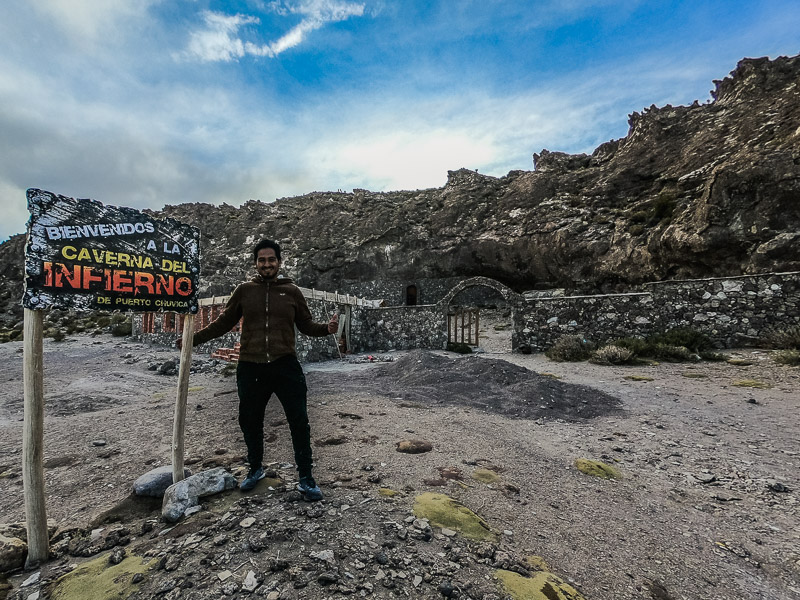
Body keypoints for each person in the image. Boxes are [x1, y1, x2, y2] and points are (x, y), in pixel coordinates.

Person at [180, 239, 338, 500]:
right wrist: (191, 339)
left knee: (299, 422)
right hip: (250, 366)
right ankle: (255, 469)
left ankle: (307, 478)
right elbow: (223, 322)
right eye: (262, 260)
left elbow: (307, 325)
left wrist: (327, 329)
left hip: (285, 365)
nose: (267, 264)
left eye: (271, 259)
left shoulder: (292, 292)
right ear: (255, 263)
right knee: (250, 421)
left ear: (279, 262)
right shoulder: (244, 291)